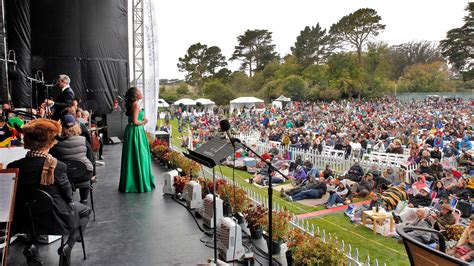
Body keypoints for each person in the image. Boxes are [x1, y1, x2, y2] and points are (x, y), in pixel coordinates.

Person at [7, 118, 91, 265]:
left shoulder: (14, 166)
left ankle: (33, 245)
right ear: (50, 142)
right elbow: (68, 196)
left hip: (25, 219)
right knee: (85, 211)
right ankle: (67, 246)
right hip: (57, 219)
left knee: (34, 206)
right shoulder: (58, 167)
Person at [50, 114, 95, 204]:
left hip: (66, 176)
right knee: (85, 170)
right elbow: (91, 158)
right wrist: (94, 175)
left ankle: (68, 201)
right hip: (85, 173)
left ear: (61, 127)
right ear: (76, 126)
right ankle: (84, 200)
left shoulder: (55, 143)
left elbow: (53, 160)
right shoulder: (83, 140)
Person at [119, 87, 155, 193]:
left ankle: (132, 181)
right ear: (135, 95)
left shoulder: (133, 104)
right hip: (136, 131)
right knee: (139, 155)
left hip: (133, 131)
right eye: (139, 92)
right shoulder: (136, 105)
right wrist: (144, 121)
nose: (141, 93)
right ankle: (139, 183)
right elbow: (135, 121)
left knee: (133, 156)